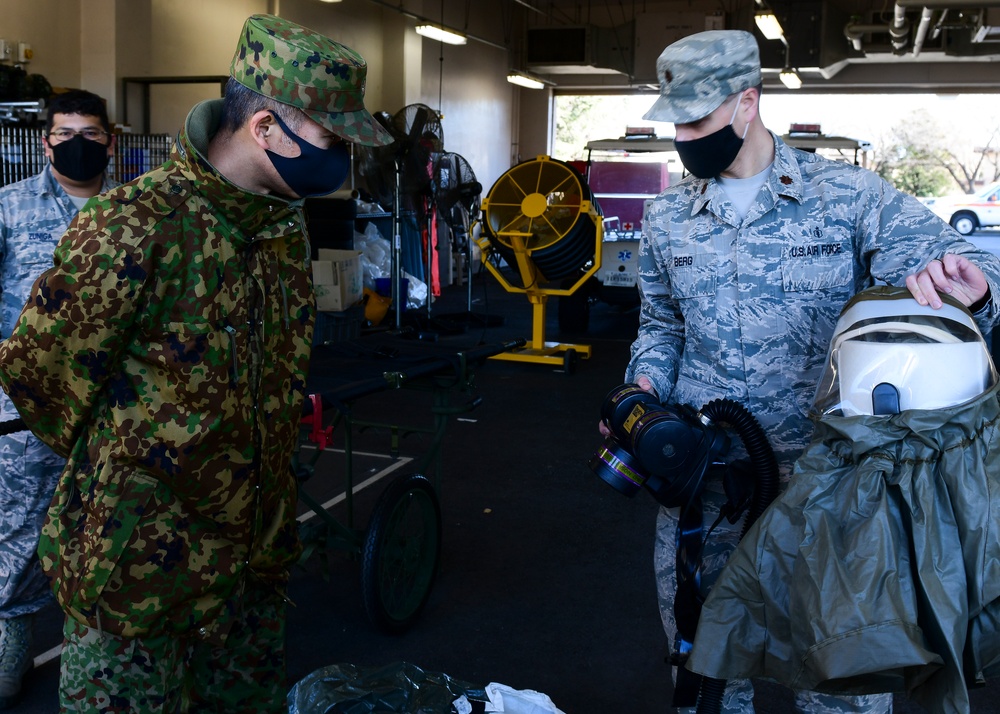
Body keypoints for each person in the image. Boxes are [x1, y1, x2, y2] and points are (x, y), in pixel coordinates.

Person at [0, 14, 392, 713]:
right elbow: (40, 379)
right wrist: (137, 475)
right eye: (333, 142)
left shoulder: (277, 229)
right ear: (265, 127)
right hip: (137, 582)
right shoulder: (135, 224)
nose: (342, 163)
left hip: (249, 575)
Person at [613, 29, 1000, 713]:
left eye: (697, 118)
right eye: (675, 119)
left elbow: (970, 265)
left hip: (832, 496)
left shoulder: (848, 197)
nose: (683, 135)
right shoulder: (668, 216)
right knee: (704, 677)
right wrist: (644, 388)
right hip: (708, 486)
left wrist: (971, 287)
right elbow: (661, 326)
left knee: (839, 681)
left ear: (747, 104)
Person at [0, 89, 118, 708]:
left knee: (105, 537)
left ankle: (94, 665)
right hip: (25, 414)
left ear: (111, 139)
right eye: (65, 132)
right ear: (45, 139)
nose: (78, 143)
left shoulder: (132, 213)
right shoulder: (9, 207)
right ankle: (7, 659)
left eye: (91, 133)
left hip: (114, 411)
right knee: (19, 538)